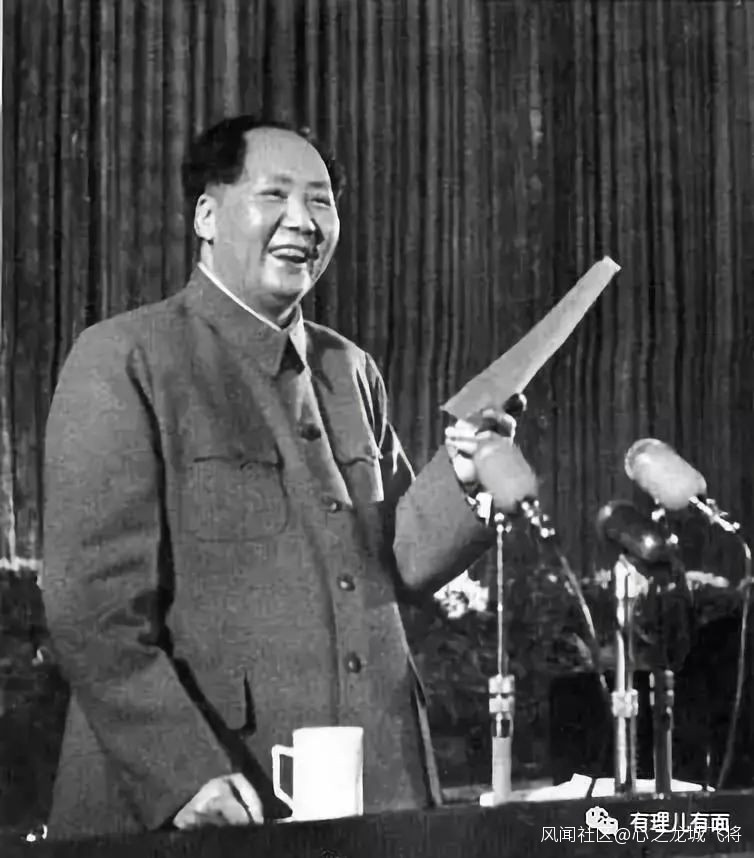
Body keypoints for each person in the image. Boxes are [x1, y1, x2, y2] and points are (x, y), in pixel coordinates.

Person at [42, 115, 530, 840]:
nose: (303, 221)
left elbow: (393, 562)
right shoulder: (126, 357)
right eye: (274, 195)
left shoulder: (350, 369)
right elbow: (92, 607)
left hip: (377, 787)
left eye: (321, 202)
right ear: (207, 216)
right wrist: (183, 773)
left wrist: (460, 477)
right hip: (211, 798)